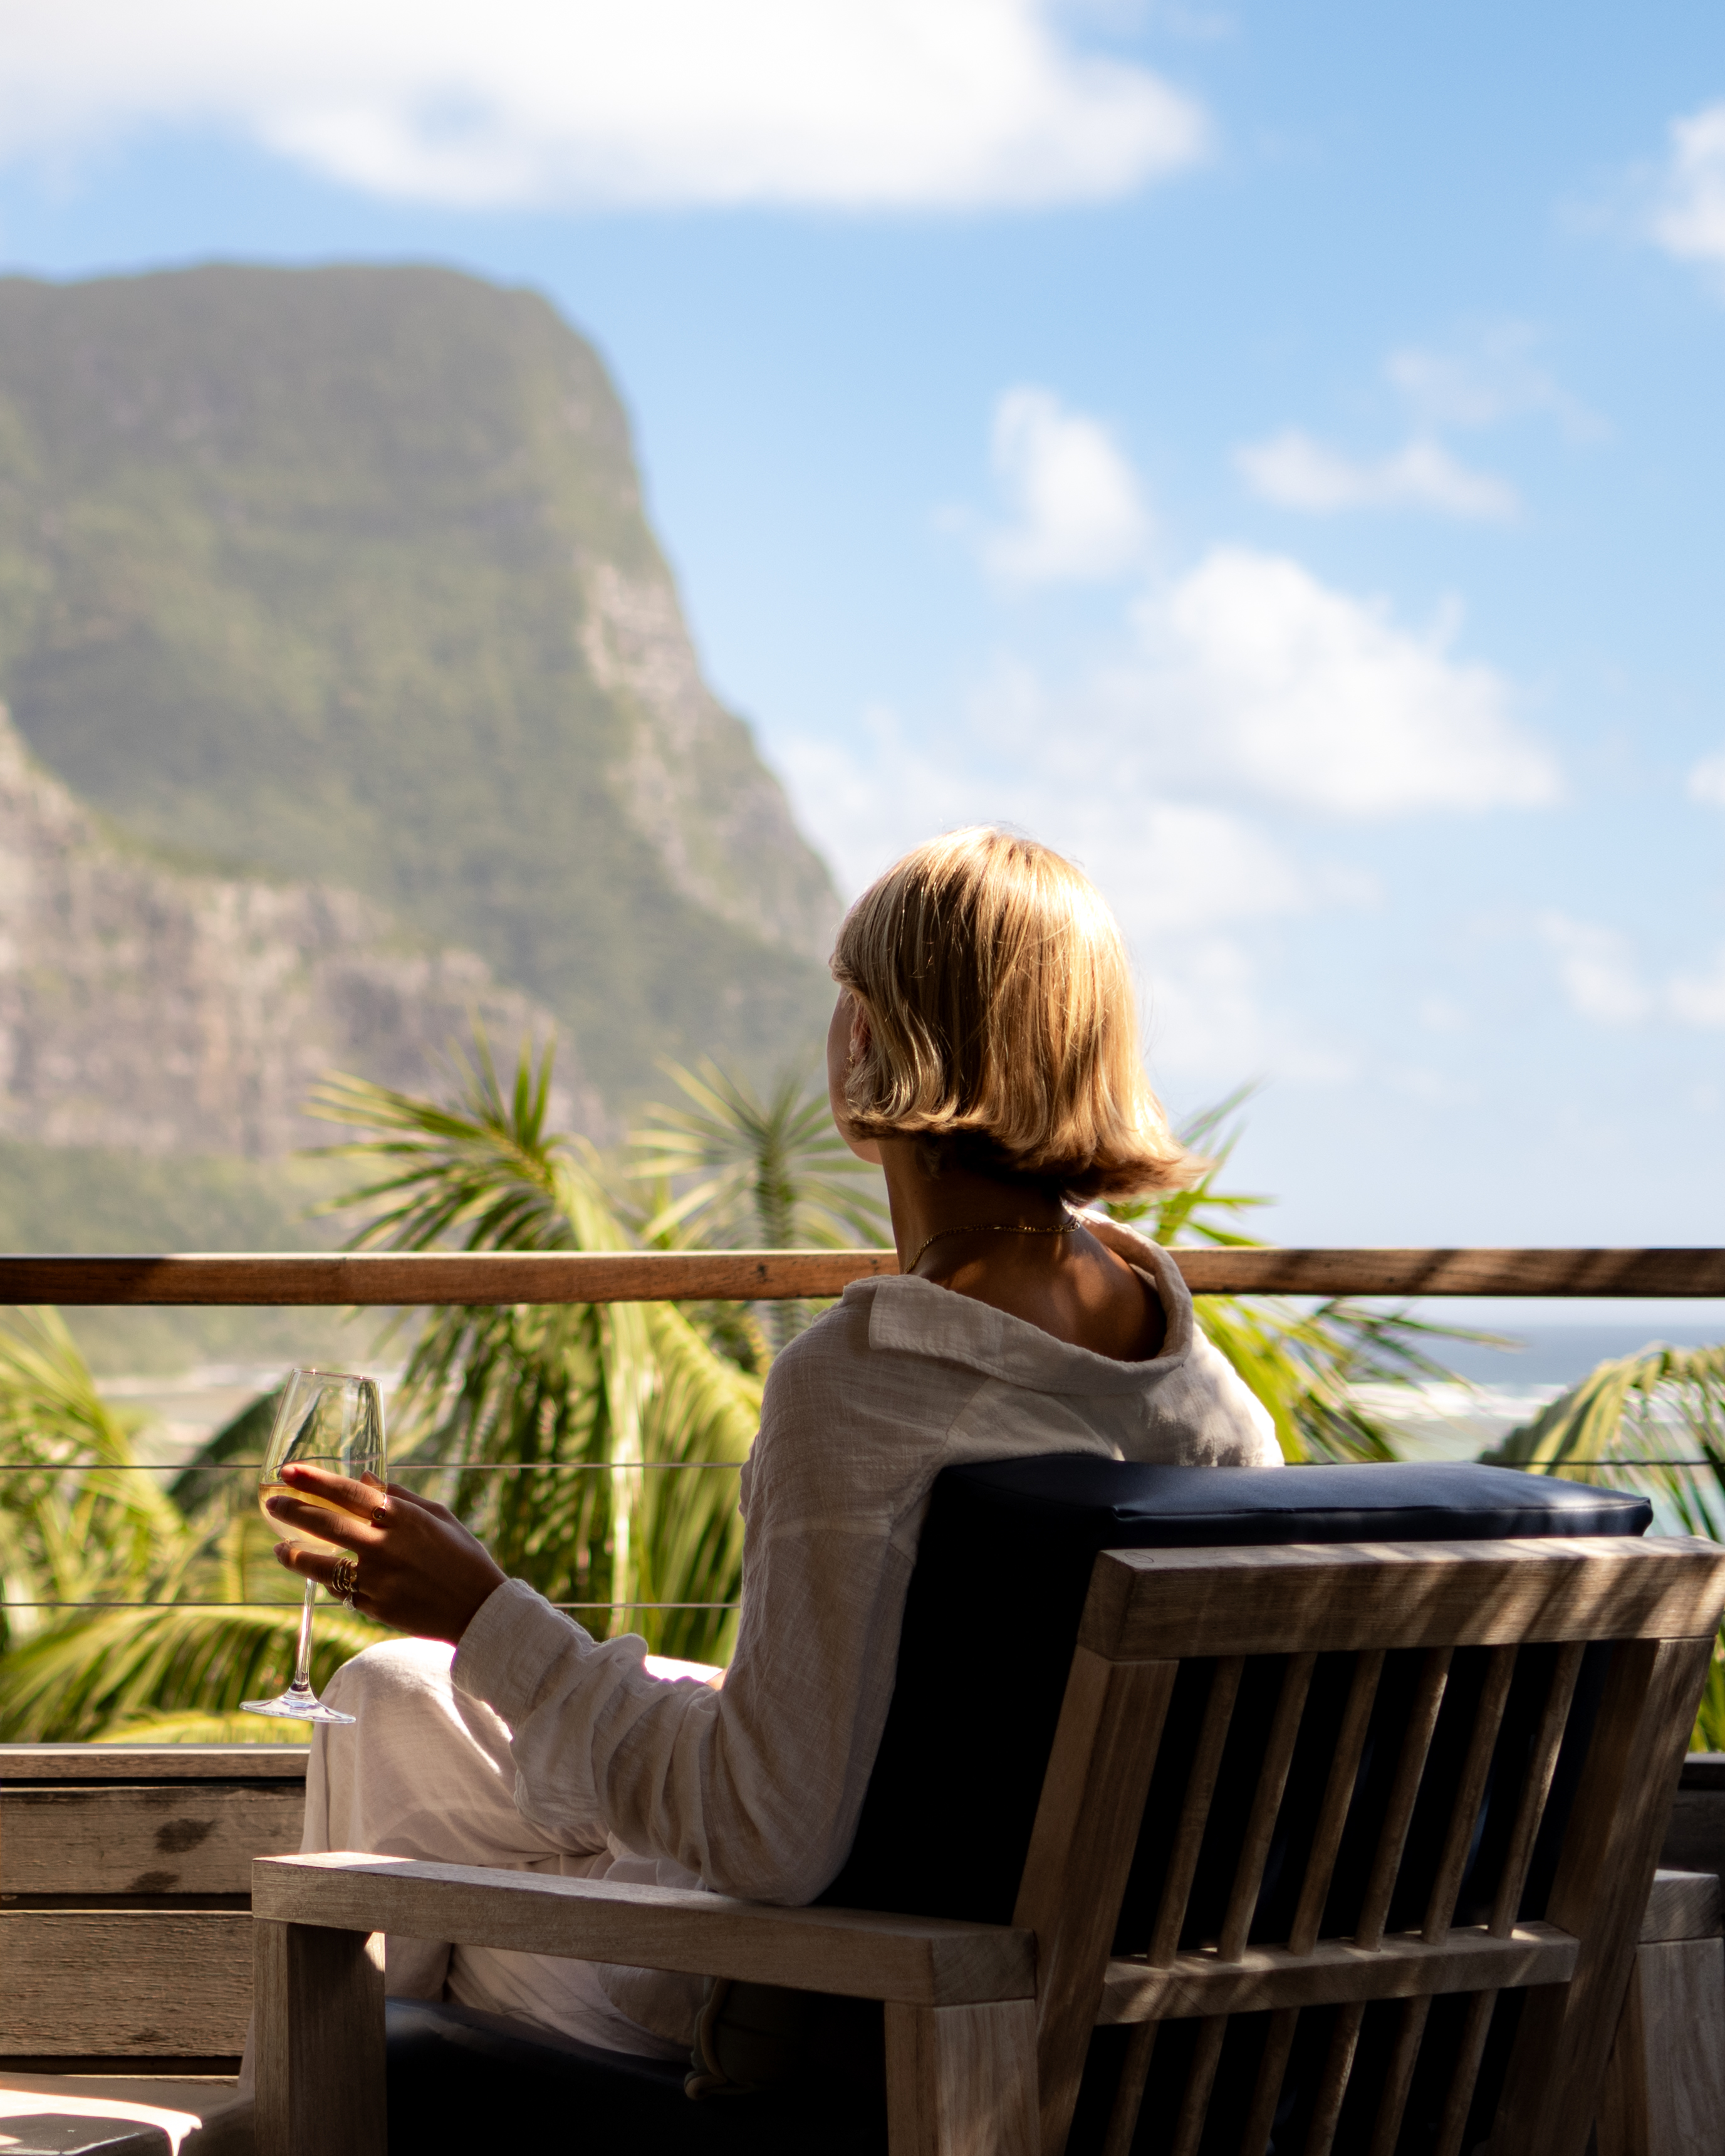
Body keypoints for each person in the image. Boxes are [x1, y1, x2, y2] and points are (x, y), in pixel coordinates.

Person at [263, 825, 1279, 2063]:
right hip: (1047, 1961)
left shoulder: (863, 1394)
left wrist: (481, 1607)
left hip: (839, 1996)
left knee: (438, 1930)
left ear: (863, 1051)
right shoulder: (1209, 1406)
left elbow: (764, 1833)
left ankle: (350, 2091)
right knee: (393, 1696)